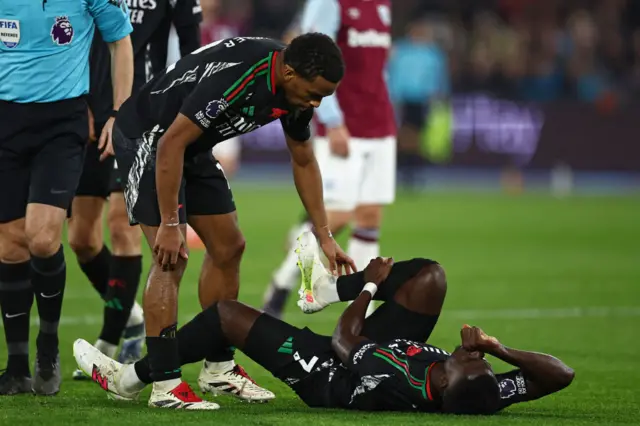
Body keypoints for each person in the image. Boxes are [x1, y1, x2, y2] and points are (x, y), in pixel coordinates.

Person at [108, 33, 355, 409]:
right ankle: (165, 385)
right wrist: (171, 225)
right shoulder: (239, 78)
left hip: (192, 145)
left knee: (229, 247)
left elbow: (304, 160)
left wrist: (324, 236)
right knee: (170, 257)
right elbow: (170, 143)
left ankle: (218, 367)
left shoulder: (296, 91)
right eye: (314, 93)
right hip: (150, 137)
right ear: (289, 74)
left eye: (324, 96)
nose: (316, 103)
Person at [74, 231, 575, 413]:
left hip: (332, 369)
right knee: (431, 278)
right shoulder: (480, 393)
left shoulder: (397, 379)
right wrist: (497, 349)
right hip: (377, 345)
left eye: (467, 361)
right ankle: (328, 289)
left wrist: (374, 284)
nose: (470, 356)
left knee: (226, 316)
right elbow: (560, 375)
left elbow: (345, 340)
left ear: (442, 384)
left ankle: (130, 378)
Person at [0, 0, 133, 396]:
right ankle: (17, 366)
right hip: (5, 122)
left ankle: (48, 348)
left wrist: (117, 111)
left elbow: (120, 39)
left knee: (42, 238)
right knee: (9, 246)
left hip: (62, 124)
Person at [68, 0, 203, 380]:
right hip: (86, 107)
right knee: (80, 238)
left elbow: (193, 49)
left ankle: (109, 344)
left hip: (140, 114)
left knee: (119, 225)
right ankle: (129, 317)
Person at [263, 0, 397, 319]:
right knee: (335, 217)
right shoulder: (329, 3)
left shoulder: (382, 5)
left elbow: (376, 66)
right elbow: (311, 60)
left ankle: (360, 310)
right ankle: (283, 281)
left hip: (380, 123)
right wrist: (333, 120)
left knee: (369, 217)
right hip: (345, 126)